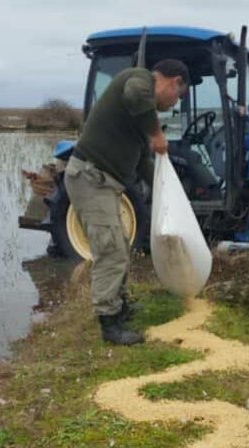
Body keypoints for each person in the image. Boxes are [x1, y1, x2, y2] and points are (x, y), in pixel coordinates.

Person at [64, 59, 189, 346]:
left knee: (120, 244)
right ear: (173, 82)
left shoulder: (138, 116)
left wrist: (166, 190)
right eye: (177, 97)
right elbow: (136, 94)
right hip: (91, 178)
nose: (173, 104)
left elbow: (142, 161)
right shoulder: (138, 79)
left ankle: (119, 307)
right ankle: (110, 326)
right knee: (111, 250)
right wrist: (157, 134)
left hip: (103, 182)